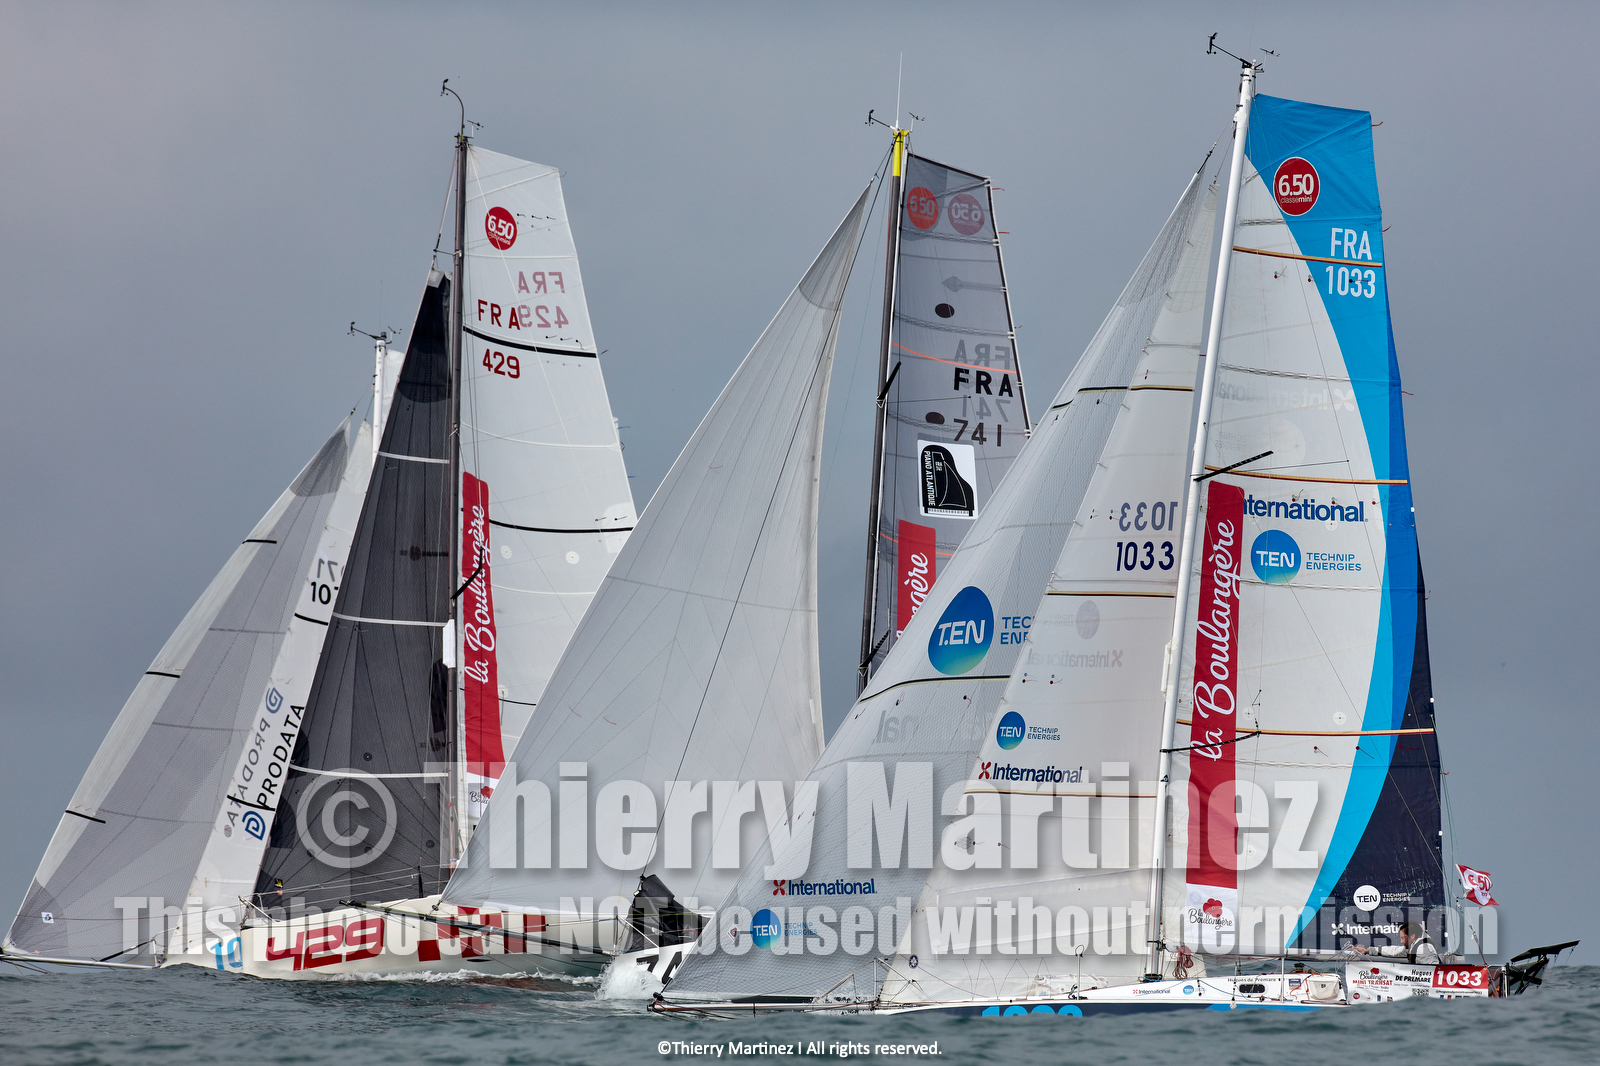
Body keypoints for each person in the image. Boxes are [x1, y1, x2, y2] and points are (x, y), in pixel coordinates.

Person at [1350, 920, 1440, 964]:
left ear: (1412, 936)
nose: (1401, 941)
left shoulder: (1423, 948)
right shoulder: (1415, 945)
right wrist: (1367, 950)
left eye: (1402, 938)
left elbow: (1433, 971)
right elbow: (1394, 951)